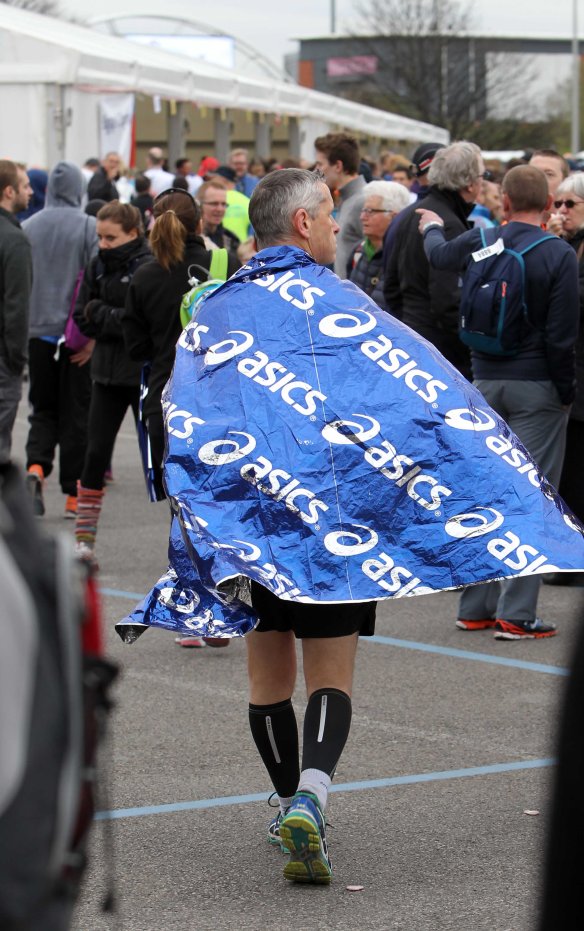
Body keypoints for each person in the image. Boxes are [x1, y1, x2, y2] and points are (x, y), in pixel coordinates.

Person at [417, 163, 579, 639]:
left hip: (484, 382)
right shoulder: (558, 253)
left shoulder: (485, 238)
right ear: (548, 205)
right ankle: (518, 613)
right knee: (531, 498)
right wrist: (565, 393)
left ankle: (476, 606)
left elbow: (440, 256)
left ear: (503, 202)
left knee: (485, 491)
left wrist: (429, 227)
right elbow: (562, 334)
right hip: (537, 387)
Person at [122, 188, 239, 647]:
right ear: (199, 225)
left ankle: (200, 613)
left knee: (184, 509)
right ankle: (230, 601)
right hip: (221, 398)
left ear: (154, 223)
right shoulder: (226, 265)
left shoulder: (145, 276)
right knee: (224, 505)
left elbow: (136, 349)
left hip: (169, 401)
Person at [72, 202, 151, 561]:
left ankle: (186, 547)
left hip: (142, 375)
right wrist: (112, 318)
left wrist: (105, 315)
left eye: (111, 237)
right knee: (94, 456)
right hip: (105, 374)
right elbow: (81, 316)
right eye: (99, 237)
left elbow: (142, 323)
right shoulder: (96, 265)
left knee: (163, 463)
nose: (103, 244)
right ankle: (84, 542)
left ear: (133, 233)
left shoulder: (148, 265)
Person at [23, 161, 98, 517]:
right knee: (76, 414)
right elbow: (95, 281)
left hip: (36, 331)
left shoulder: (28, 226)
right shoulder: (88, 226)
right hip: (76, 336)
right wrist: (91, 338)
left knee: (43, 407)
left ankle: (36, 466)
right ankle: (73, 492)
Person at [385, 140, 484, 379]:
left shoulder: (415, 212)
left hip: (413, 339)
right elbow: (447, 301)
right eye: (483, 175)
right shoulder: (445, 224)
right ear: (470, 183)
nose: (484, 181)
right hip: (440, 353)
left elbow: (391, 287)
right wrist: (469, 348)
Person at [542, 174, 584, 586]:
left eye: (570, 204)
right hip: (568, 371)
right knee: (569, 471)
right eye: (558, 204)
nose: (561, 212)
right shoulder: (566, 247)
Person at [0, 160, 32, 466]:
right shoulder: (14, 240)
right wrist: (17, 359)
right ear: (9, 191)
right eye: (25, 186)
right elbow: (17, 305)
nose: (30, 192)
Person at [349, 180, 410, 309]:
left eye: (370, 211)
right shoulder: (358, 251)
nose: (362, 217)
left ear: (394, 217)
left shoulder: (405, 258)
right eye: (363, 210)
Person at [314, 132, 365, 277]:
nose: (315, 170)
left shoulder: (362, 201)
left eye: (320, 164)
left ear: (337, 166)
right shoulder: (346, 199)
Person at [197, 179, 241, 254]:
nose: (220, 209)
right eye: (214, 203)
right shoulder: (190, 239)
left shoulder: (232, 240)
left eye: (223, 204)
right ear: (199, 205)